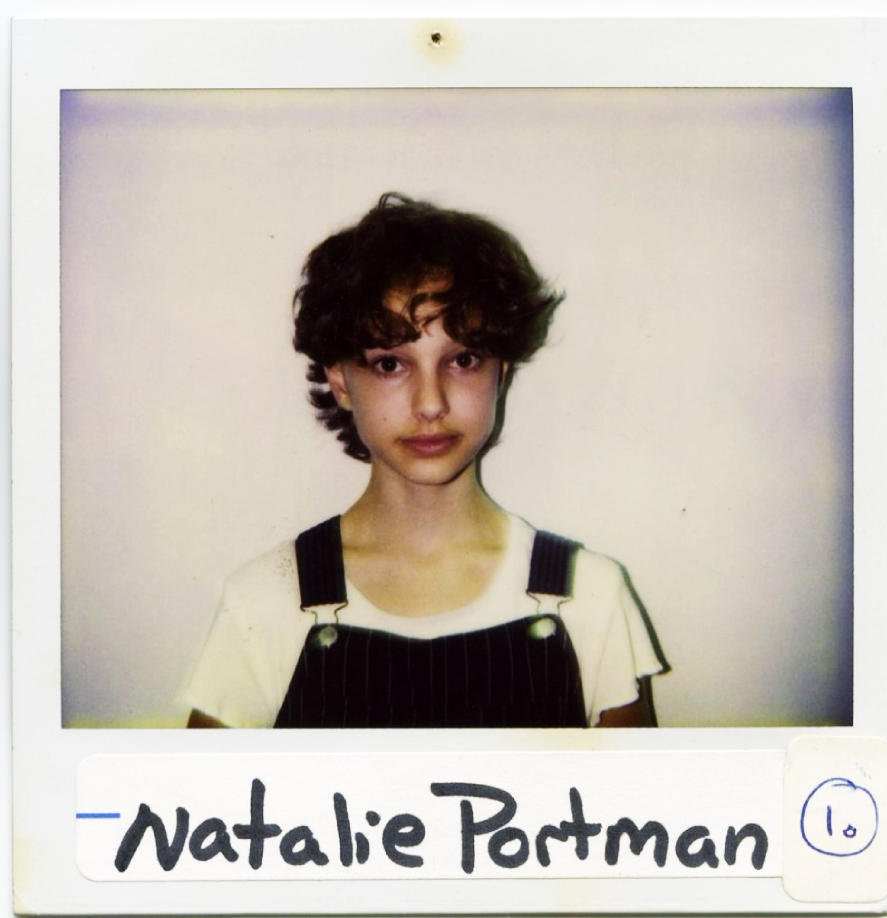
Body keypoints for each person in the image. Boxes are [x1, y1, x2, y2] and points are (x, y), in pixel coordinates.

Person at [185, 193, 664, 729]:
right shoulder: (267, 600)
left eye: (462, 360)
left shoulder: (589, 595)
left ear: (499, 374)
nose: (431, 403)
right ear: (341, 380)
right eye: (390, 363)